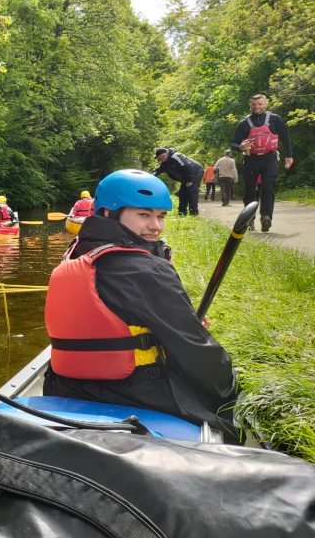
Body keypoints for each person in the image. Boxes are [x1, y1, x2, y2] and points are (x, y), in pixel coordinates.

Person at [43, 169, 238, 438]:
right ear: (109, 214)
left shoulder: (77, 252)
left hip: (64, 386)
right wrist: (229, 388)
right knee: (224, 412)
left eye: (161, 216)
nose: (156, 226)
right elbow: (194, 348)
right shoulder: (144, 269)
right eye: (144, 215)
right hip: (134, 393)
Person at [231, 93, 294, 232]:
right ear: (250, 105)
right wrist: (240, 147)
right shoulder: (244, 123)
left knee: (268, 187)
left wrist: (289, 156)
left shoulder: (274, 119)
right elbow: (233, 143)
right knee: (249, 192)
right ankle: (249, 219)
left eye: (260, 104)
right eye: (254, 104)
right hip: (251, 160)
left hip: (269, 158)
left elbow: (285, 137)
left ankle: (266, 217)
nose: (257, 107)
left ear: (265, 104)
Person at [153, 147, 204, 216]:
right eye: (159, 159)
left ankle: (194, 213)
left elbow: (188, 166)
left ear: (164, 155)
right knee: (182, 193)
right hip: (186, 175)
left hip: (195, 172)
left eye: (159, 158)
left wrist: (189, 180)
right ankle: (182, 213)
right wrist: (149, 175)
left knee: (191, 191)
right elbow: (158, 170)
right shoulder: (165, 163)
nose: (159, 160)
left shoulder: (175, 156)